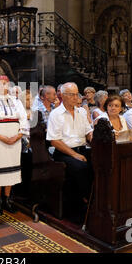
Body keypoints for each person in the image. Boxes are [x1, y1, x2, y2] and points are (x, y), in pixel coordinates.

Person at [0, 75, 29, 216]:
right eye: (1, 83)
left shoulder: (16, 101)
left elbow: (23, 119)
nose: (4, 86)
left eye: (6, 83)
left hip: (14, 140)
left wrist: (18, 135)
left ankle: (7, 200)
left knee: (10, 171)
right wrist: (1, 137)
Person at [47, 82, 93, 218]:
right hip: (64, 152)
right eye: (72, 95)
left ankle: (96, 199)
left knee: (100, 162)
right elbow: (54, 140)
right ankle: (85, 201)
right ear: (62, 96)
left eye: (77, 94)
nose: (75, 97)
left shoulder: (82, 112)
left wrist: (93, 138)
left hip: (82, 148)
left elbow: (88, 131)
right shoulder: (56, 114)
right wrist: (74, 154)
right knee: (80, 166)